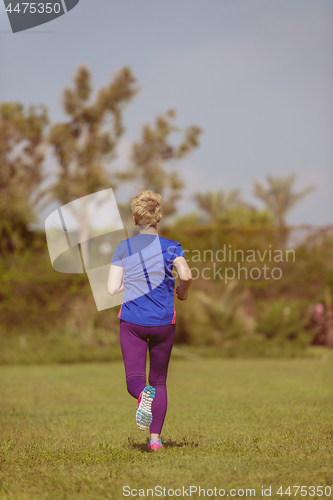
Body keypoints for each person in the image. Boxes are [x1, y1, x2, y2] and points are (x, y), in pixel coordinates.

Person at [107, 190, 192, 451]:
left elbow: (112, 289)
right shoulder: (172, 247)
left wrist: (126, 286)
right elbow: (186, 275)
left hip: (132, 322)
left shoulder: (124, 248)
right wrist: (181, 292)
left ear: (135, 219)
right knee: (159, 380)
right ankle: (155, 441)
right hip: (164, 323)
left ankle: (142, 395)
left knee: (136, 377)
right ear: (159, 217)